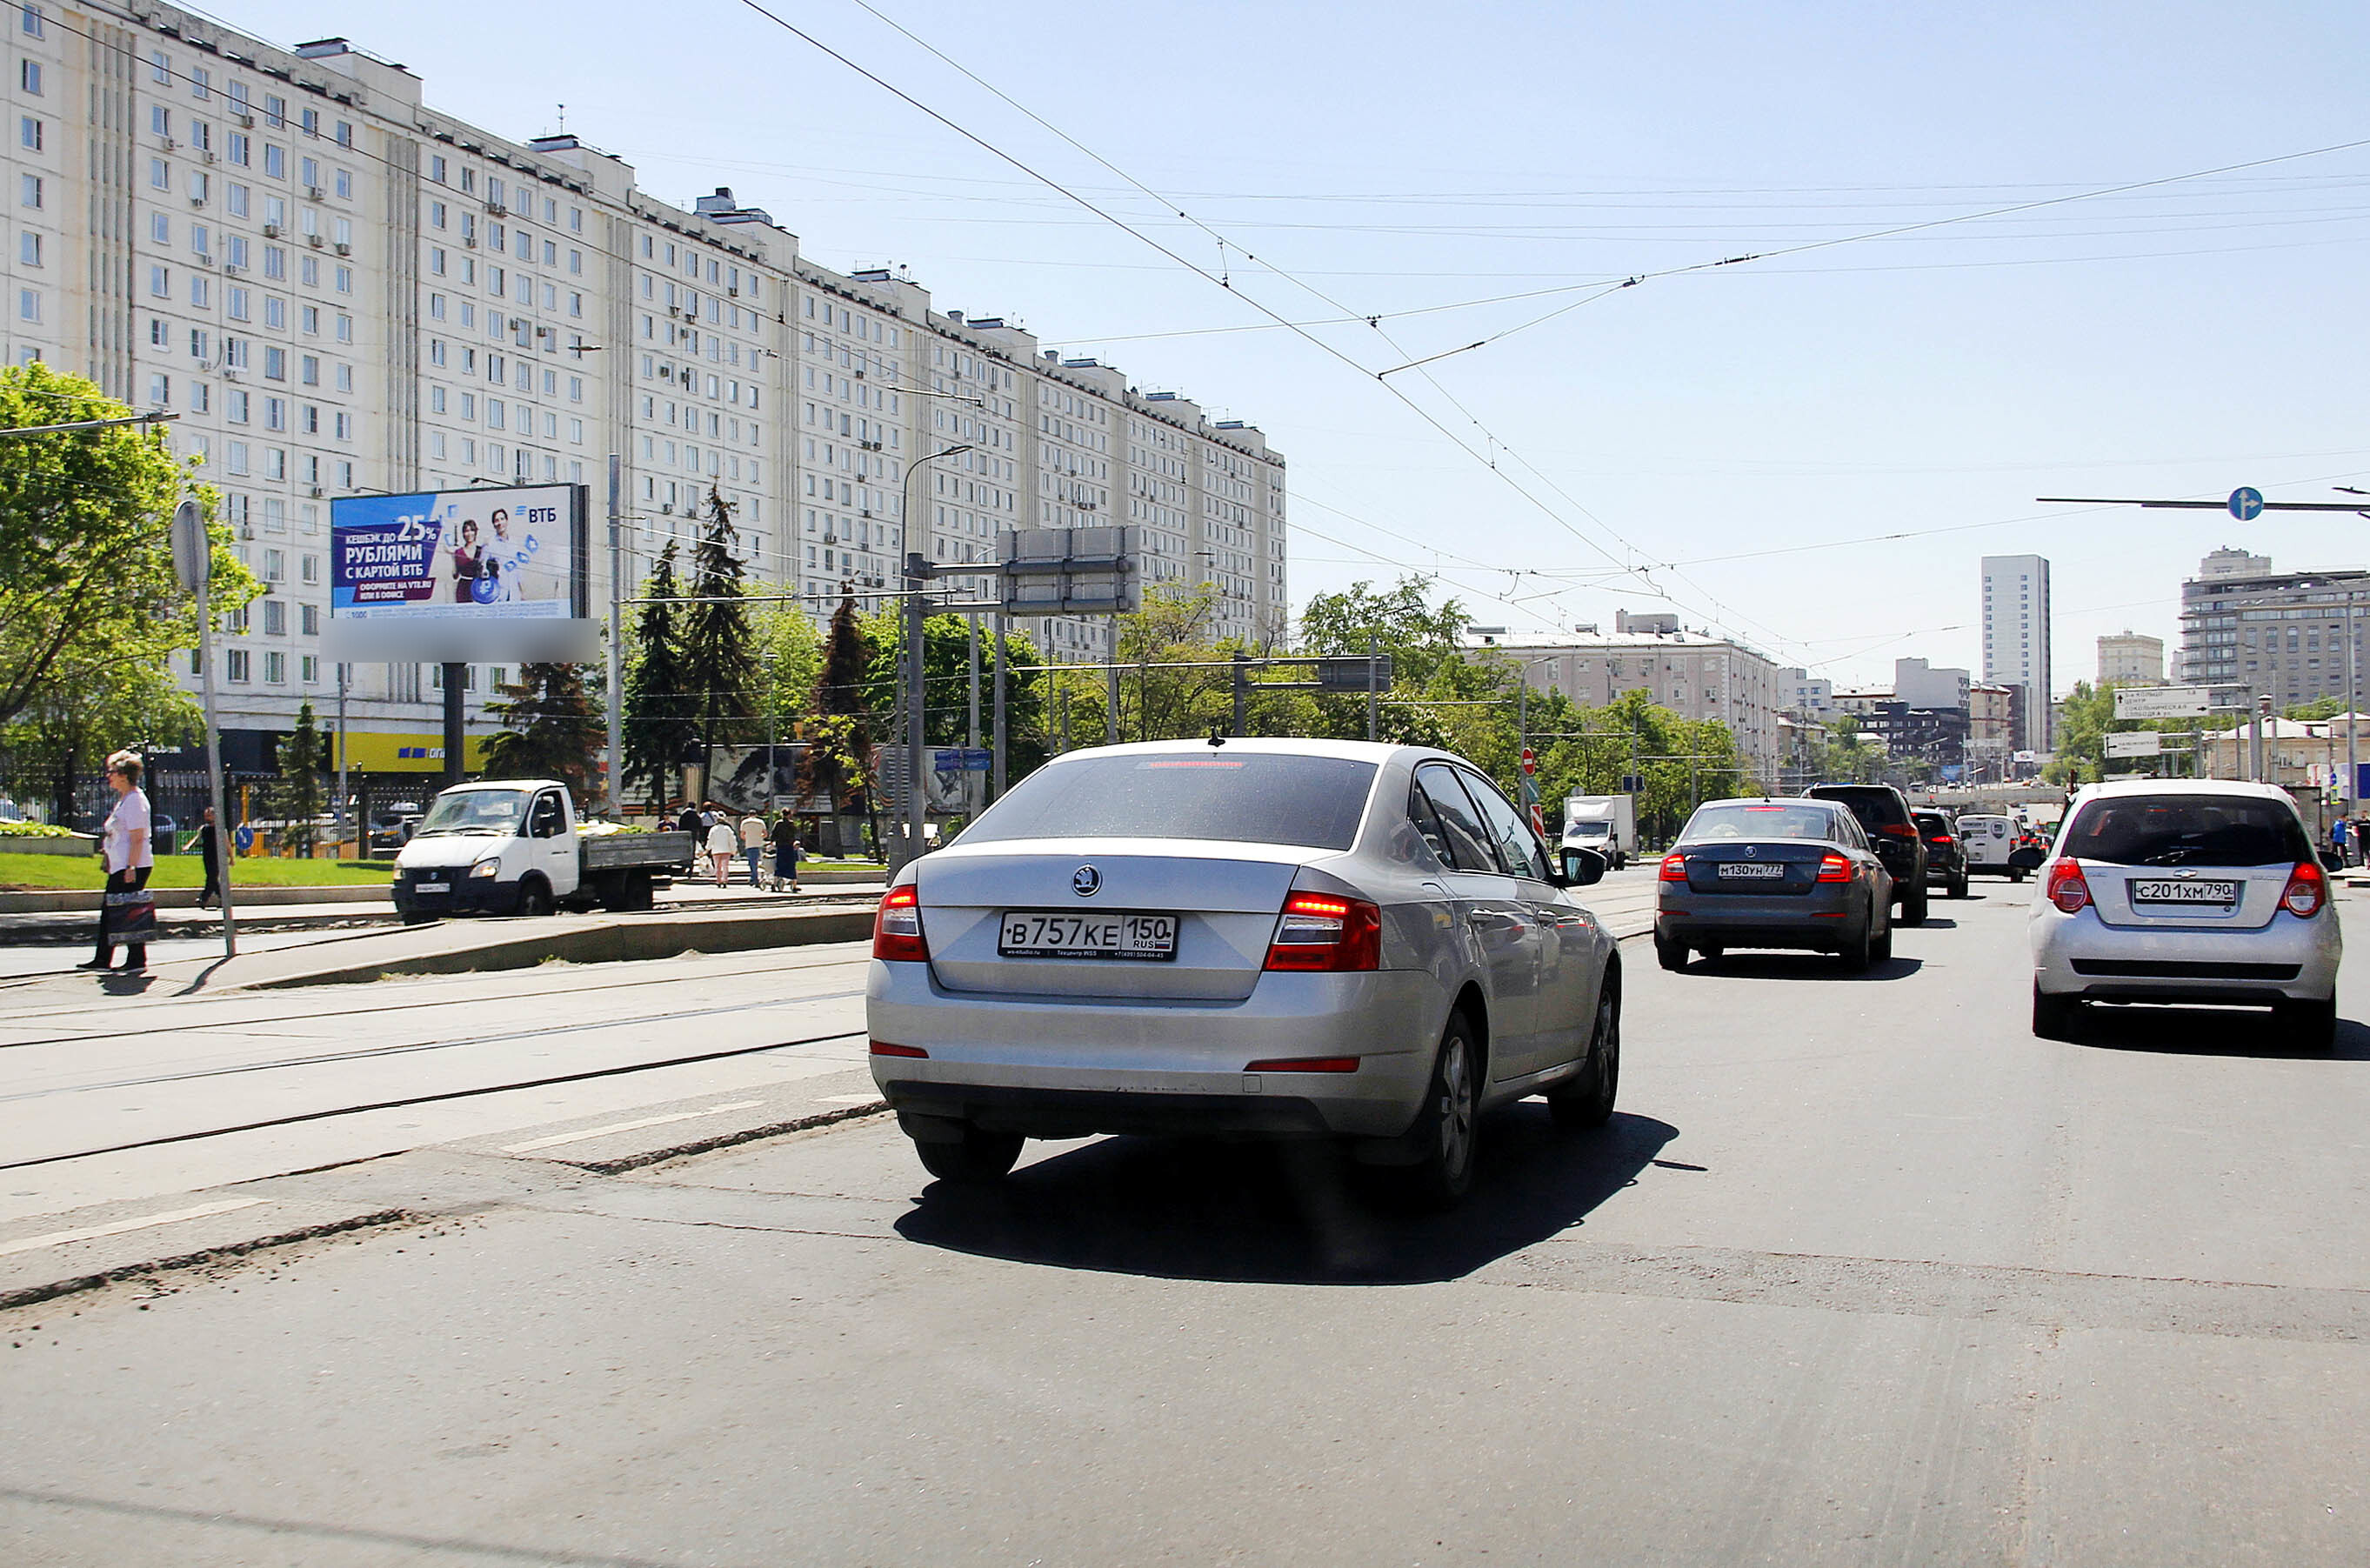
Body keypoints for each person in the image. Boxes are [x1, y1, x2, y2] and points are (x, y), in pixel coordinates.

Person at [80, 751, 157, 974]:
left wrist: (131, 867)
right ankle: (126, 958)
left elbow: (137, 837)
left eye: (112, 772)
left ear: (123, 775)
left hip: (131, 866)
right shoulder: (125, 800)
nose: (108, 776)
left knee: (122, 909)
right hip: (120, 864)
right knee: (122, 909)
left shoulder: (135, 801)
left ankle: (119, 959)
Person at [770, 812, 803, 894]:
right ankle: (794, 886)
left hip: (780, 847)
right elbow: (796, 835)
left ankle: (774, 884)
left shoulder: (778, 823)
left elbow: (773, 835)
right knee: (791, 866)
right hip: (789, 847)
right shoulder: (791, 824)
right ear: (789, 815)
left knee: (779, 866)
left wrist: (772, 842)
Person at [197, 805, 222, 908]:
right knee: (212, 878)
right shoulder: (204, 828)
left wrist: (231, 858)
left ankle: (203, 898)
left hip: (217, 855)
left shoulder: (219, 829)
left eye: (209, 816)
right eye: (206, 816)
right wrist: (188, 846)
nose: (207, 818)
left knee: (211, 877)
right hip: (207, 855)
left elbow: (227, 843)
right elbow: (196, 838)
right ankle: (223, 898)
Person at [704, 814, 737, 888]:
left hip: (716, 850)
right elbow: (732, 840)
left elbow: (710, 840)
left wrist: (707, 849)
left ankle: (718, 880)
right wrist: (734, 850)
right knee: (725, 866)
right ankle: (724, 880)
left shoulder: (713, 829)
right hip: (726, 850)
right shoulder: (727, 829)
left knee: (717, 866)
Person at [739, 809, 767, 887]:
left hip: (749, 843)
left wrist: (748, 838)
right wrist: (759, 837)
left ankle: (754, 878)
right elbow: (765, 834)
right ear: (756, 815)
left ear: (748, 815)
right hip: (758, 843)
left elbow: (742, 835)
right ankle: (754, 877)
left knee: (752, 861)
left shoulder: (745, 822)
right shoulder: (761, 822)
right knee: (756, 861)